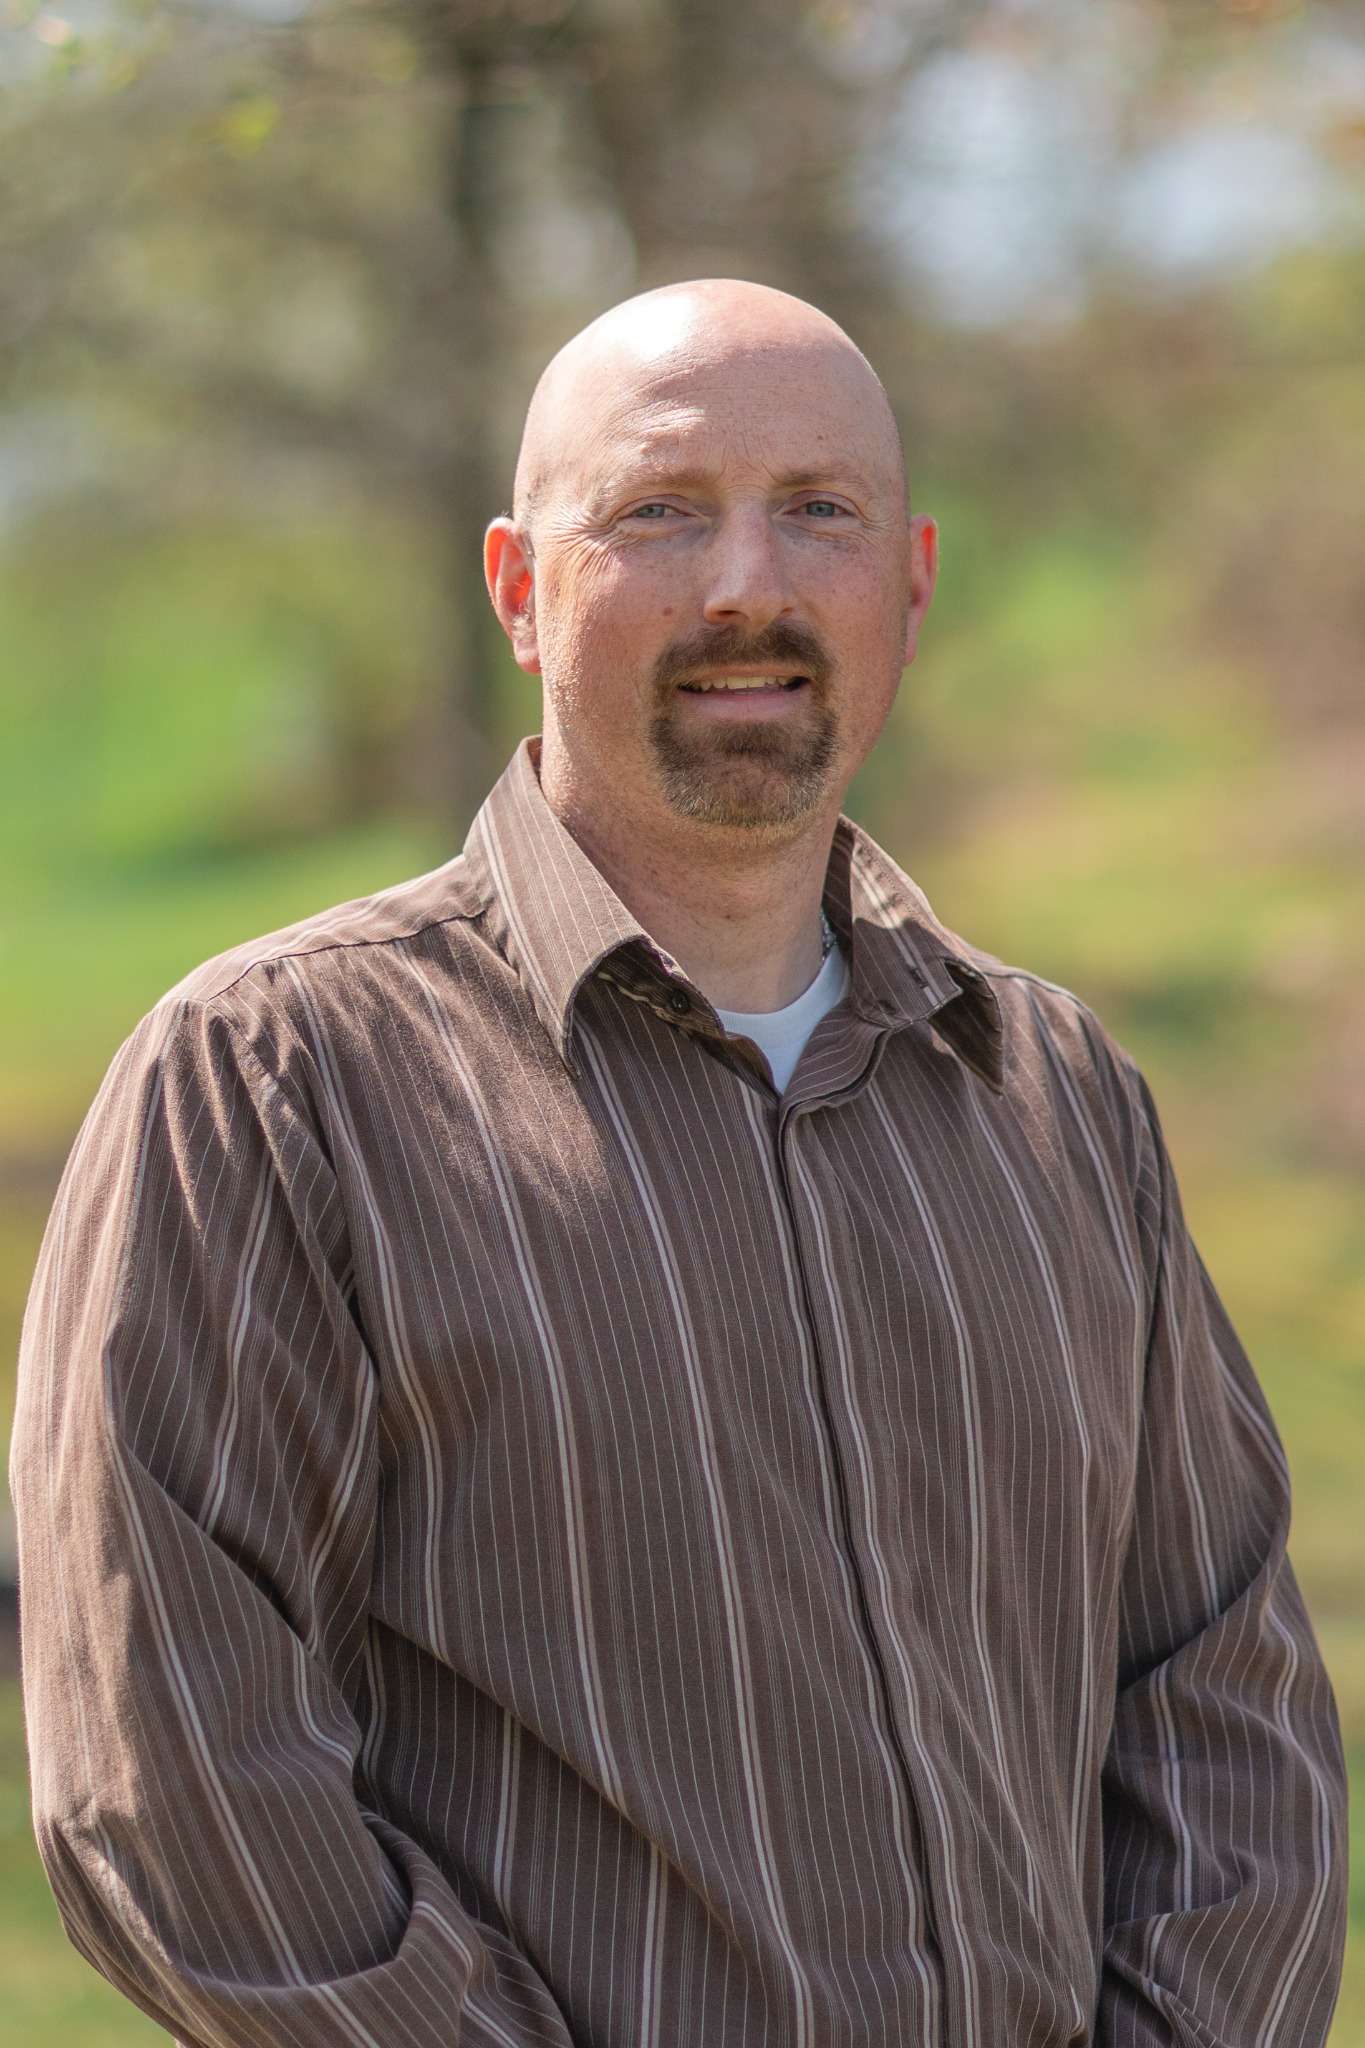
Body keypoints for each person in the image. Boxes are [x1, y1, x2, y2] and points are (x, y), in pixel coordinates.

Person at [12, 278, 1347, 2048]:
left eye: (819, 512)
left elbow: (1222, 1700)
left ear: (911, 582)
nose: (748, 586)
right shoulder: (273, 1085)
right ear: (515, 588)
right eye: (657, 513)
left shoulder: (1060, 1094)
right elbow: (169, 1768)